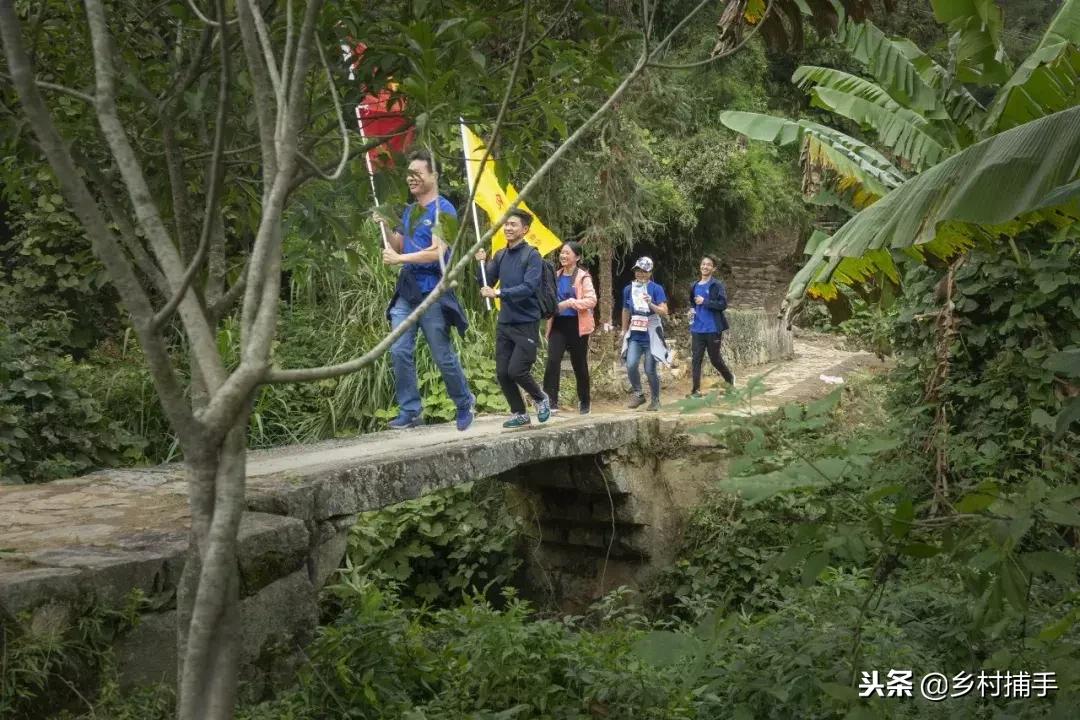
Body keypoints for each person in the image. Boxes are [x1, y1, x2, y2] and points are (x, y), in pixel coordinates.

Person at [378, 149, 474, 432]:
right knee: (399, 350)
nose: (412, 179)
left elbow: (436, 253)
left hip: (433, 291)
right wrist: (385, 225)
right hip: (408, 292)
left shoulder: (444, 210)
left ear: (434, 175)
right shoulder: (410, 211)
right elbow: (398, 245)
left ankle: (464, 402)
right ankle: (410, 410)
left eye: (417, 173)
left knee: (442, 354)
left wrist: (399, 259)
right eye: (409, 174)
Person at [475, 209, 551, 428]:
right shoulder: (500, 255)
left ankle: (540, 398)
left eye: (513, 224)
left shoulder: (532, 255)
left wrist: (498, 293)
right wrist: (480, 263)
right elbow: (485, 282)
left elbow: (528, 287)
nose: (508, 228)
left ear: (525, 230)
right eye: (506, 224)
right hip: (505, 321)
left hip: (526, 321)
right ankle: (519, 412)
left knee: (516, 369)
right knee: (502, 372)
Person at [543, 242, 596, 415]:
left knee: (579, 364)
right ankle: (550, 402)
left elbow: (591, 300)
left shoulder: (583, 277)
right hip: (558, 325)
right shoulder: (555, 275)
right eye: (562, 253)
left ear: (577, 257)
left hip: (577, 326)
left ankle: (584, 401)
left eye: (567, 253)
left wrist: (571, 303)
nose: (563, 256)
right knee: (552, 361)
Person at [620, 256, 670, 411]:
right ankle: (638, 393)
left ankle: (655, 400)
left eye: (644, 271)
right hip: (635, 333)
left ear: (650, 273)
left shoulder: (656, 289)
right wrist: (623, 329)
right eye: (638, 271)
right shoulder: (628, 289)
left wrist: (651, 304)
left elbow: (664, 311)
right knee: (631, 364)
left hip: (651, 334)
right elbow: (626, 309)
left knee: (649, 369)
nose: (640, 274)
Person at [687, 254, 735, 398]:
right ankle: (695, 390)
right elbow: (693, 304)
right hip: (697, 328)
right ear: (700, 266)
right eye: (703, 264)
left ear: (713, 268)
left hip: (713, 328)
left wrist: (705, 301)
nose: (705, 266)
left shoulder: (716, 285)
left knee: (715, 359)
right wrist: (691, 311)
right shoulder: (694, 285)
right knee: (696, 360)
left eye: (708, 265)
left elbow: (723, 305)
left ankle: (729, 379)